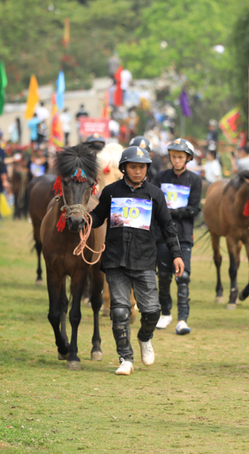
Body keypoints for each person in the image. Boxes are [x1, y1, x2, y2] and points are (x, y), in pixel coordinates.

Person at [88, 146, 184, 375]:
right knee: (120, 311)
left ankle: (144, 338)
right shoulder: (110, 192)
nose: (138, 171)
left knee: (151, 311)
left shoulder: (155, 194)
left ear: (147, 169)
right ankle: (126, 359)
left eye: (142, 167)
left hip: (144, 261)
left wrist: (177, 254)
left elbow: (168, 227)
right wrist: (82, 220)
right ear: (124, 168)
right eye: (133, 167)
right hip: (114, 261)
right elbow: (97, 217)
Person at [152, 138, 202, 335]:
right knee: (163, 276)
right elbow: (155, 205)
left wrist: (170, 212)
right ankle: (165, 312)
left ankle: (182, 319)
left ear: (187, 158)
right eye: (174, 156)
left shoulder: (195, 180)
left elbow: (194, 209)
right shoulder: (159, 177)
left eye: (180, 157)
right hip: (161, 235)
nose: (177, 160)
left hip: (183, 235)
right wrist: (168, 212)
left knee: (183, 277)